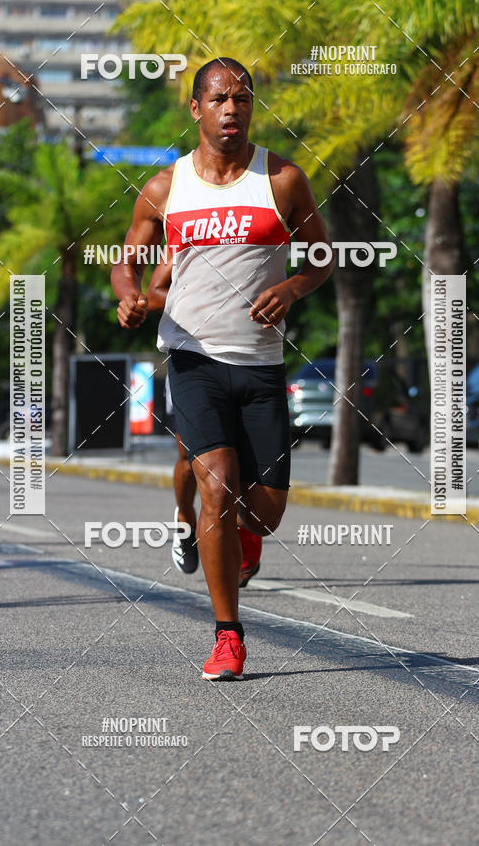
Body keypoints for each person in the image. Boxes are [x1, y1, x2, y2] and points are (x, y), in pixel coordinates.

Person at [112, 57, 333, 680]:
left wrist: (292, 287)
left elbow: (321, 257)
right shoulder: (166, 188)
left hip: (260, 365)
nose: (232, 109)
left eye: (242, 98)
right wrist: (128, 295)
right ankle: (228, 636)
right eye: (219, 99)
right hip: (192, 356)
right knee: (215, 482)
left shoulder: (282, 180)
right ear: (196, 109)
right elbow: (128, 261)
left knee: (264, 512)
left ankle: (245, 535)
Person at [146, 253, 264, 583]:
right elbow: (153, 294)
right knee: (190, 459)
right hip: (193, 364)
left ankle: (239, 536)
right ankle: (185, 517)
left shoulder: (254, 238)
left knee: (239, 459)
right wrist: (204, 297)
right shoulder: (188, 238)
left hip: (249, 358)